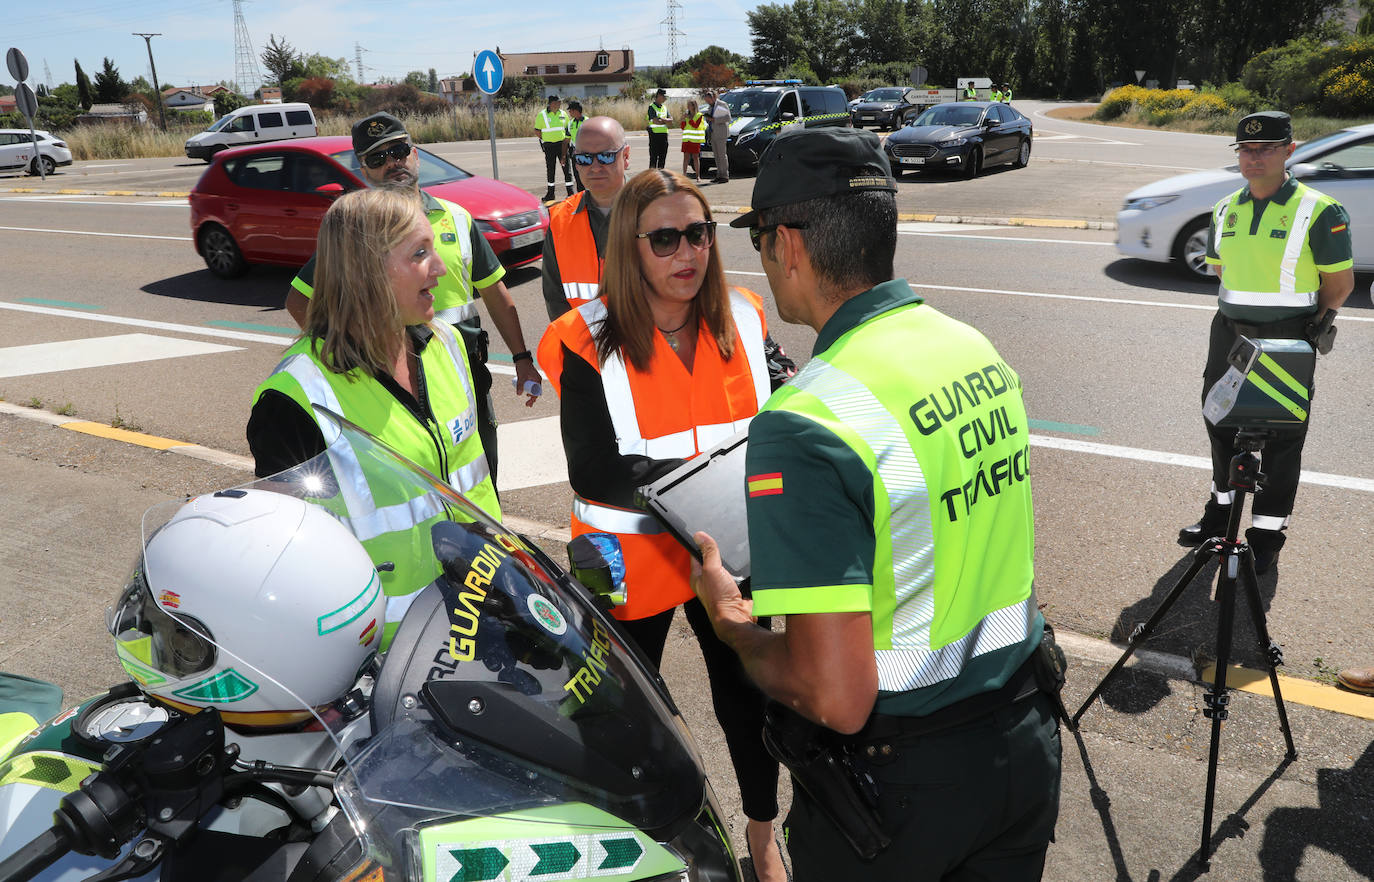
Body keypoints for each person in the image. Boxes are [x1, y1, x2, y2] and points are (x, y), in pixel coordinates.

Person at [694, 127, 1061, 881]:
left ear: (788, 245)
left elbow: (836, 697)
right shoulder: (972, 348)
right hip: (1023, 742)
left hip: (904, 792)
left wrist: (736, 631)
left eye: (760, 241)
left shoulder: (806, 420)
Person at [538, 168, 790, 882]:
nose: (689, 252)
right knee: (624, 714)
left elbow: (787, 402)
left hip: (728, 550)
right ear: (630, 247)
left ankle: (763, 834)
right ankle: (641, 836)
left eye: (699, 233)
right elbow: (594, 469)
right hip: (628, 563)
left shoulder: (742, 314)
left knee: (749, 697)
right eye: (666, 239)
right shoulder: (582, 338)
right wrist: (701, 492)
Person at [250, 187, 499, 640]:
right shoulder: (295, 398)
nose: (441, 269)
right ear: (366, 271)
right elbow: (282, 559)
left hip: (482, 613)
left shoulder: (447, 344)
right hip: (385, 657)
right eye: (420, 254)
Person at [284, 112, 542, 489]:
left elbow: (496, 294)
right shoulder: (358, 232)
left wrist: (522, 359)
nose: (393, 163)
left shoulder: (456, 218)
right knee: (412, 487)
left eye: (399, 150)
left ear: (415, 153)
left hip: (464, 376)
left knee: (478, 476)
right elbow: (299, 300)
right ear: (364, 168)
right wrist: (351, 355)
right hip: (393, 384)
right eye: (378, 157)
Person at [1178, 111, 1354, 574]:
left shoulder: (1320, 210)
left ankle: (1266, 535)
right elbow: (1221, 271)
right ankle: (1219, 516)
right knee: (1218, 423)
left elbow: (1339, 283)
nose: (1254, 157)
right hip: (1229, 334)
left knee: (1282, 438)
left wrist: (1316, 325)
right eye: (1246, 149)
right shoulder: (1224, 209)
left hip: (1288, 336)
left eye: (1266, 148)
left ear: (1289, 151)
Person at [540, 116, 631, 321]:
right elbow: (555, 299)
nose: (595, 167)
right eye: (584, 158)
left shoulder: (656, 211)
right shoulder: (560, 220)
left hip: (648, 348)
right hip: (584, 348)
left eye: (606, 156)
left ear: (625, 156)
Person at [535, 94, 574, 201]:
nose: (560, 104)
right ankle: (550, 193)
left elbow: (567, 129)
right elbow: (537, 130)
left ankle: (570, 192)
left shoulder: (563, 114)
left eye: (560, 102)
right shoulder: (542, 115)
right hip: (549, 146)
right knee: (550, 169)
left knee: (566, 168)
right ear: (551, 103)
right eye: (558, 102)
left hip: (562, 145)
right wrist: (546, 139)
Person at [704, 89, 732, 183]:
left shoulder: (722, 104)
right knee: (716, 156)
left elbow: (728, 118)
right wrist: (708, 119)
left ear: (713, 97)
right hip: (713, 133)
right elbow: (710, 119)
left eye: (709, 100)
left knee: (722, 155)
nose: (708, 102)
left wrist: (714, 119)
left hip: (721, 133)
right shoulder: (710, 107)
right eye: (706, 101)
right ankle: (719, 174)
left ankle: (724, 175)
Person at [680, 98, 706, 181]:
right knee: (686, 157)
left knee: (695, 157)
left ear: (694, 106)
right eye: (687, 105)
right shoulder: (686, 115)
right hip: (687, 140)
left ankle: (698, 176)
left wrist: (690, 119)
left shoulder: (699, 115)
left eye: (689, 105)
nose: (688, 106)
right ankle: (684, 175)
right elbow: (683, 127)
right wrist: (683, 120)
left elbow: (696, 126)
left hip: (695, 140)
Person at [647, 88, 671, 169]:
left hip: (664, 135)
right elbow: (655, 121)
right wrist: (665, 121)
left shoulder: (664, 107)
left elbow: (671, 120)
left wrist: (662, 120)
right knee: (653, 158)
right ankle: (652, 178)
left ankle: (660, 177)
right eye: (664, 97)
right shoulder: (651, 107)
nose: (665, 99)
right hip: (654, 135)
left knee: (662, 157)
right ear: (659, 96)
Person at [566, 100, 587, 193]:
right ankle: (581, 195)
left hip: (586, 153)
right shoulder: (570, 123)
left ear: (575, 111)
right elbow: (567, 139)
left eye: (570, 110)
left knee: (586, 175)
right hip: (575, 152)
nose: (569, 113)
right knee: (577, 176)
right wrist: (564, 154)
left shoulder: (588, 122)